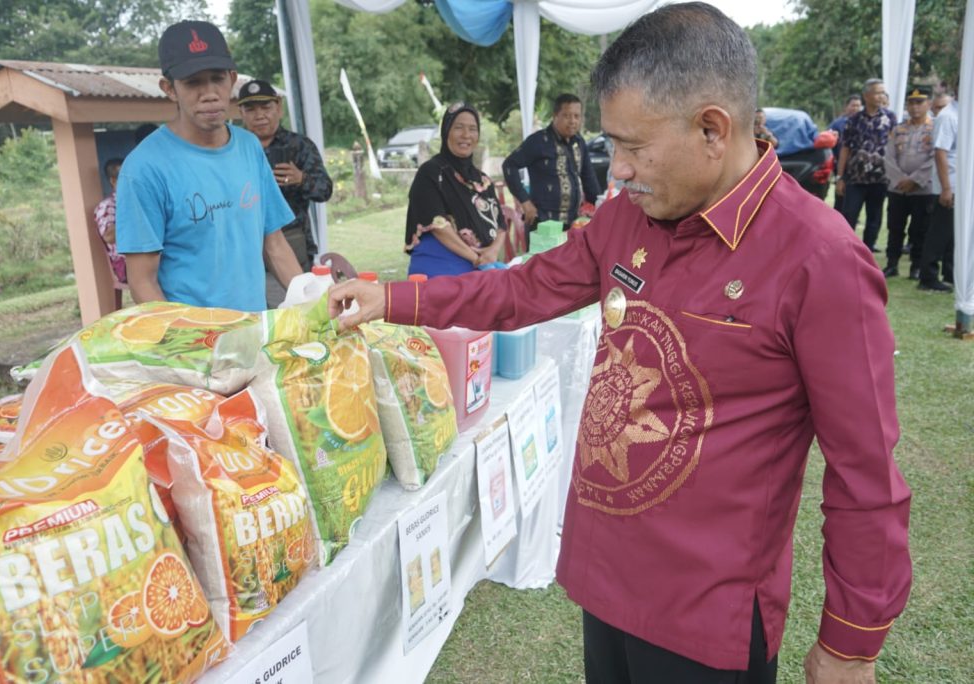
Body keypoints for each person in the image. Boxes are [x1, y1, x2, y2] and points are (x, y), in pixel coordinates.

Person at [329, 4, 911, 682]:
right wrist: (393, 299)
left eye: (633, 147)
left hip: (705, 617)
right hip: (606, 579)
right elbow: (522, 291)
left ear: (713, 129)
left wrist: (849, 644)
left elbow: (865, 473)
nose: (619, 171)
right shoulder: (628, 218)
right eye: (613, 147)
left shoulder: (820, 259)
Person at [116, 20, 301, 311]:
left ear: (232, 78)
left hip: (255, 331)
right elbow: (142, 282)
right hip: (195, 344)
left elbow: (274, 245)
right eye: (193, 82)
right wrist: (184, 343)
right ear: (170, 89)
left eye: (217, 78)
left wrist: (313, 301)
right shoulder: (144, 169)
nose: (210, 93)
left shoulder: (249, 147)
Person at [237, 78, 333, 306]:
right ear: (240, 112)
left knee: (296, 309)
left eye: (266, 107)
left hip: (291, 244)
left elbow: (325, 190)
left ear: (278, 107)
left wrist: (302, 179)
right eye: (250, 109)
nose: (259, 115)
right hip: (245, 247)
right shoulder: (233, 149)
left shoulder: (299, 146)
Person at [404, 102, 506, 278]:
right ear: (446, 131)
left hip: (481, 265)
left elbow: (501, 226)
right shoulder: (431, 173)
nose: (466, 135)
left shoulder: (482, 180)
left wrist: (492, 252)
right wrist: (476, 259)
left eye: (473, 129)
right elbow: (438, 225)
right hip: (440, 267)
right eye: (459, 127)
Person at [502, 93, 601, 230]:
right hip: (542, 224)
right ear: (555, 116)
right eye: (567, 116)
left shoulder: (579, 142)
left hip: (574, 224)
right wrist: (525, 201)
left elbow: (589, 178)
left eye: (576, 116)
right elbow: (509, 166)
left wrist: (600, 206)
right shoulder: (538, 141)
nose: (572, 121)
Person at [837, 78, 897, 251]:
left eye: (883, 93)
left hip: (880, 179)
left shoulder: (890, 118)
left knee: (874, 218)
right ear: (867, 95)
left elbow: (894, 146)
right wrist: (840, 177)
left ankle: (868, 249)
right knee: (849, 215)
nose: (881, 96)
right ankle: (845, 249)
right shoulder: (854, 120)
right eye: (877, 92)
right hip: (855, 178)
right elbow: (845, 149)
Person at [882, 86, 936, 279]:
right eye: (911, 103)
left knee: (920, 229)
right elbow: (888, 156)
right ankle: (892, 264)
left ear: (928, 104)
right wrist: (900, 180)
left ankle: (916, 266)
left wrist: (914, 180)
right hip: (898, 189)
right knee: (895, 227)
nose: (915, 107)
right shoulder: (898, 129)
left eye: (919, 102)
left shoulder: (935, 128)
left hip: (923, 189)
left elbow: (934, 158)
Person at [917, 90, 958, 292]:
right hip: (948, 185)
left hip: (960, 186)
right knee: (939, 233)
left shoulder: (963, 114)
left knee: (953, 235)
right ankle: (928, 276)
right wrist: (947, 188)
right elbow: (940, 152)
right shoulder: (948, 116)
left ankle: (950, 273)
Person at [94, 158, 127, 285]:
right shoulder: (108, 206)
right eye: (125, 177)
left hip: (147, 256)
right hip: (125, 264)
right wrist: (133, 215)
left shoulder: (138, 201)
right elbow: (109, 236)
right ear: (113, 181)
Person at [828, 94, 863, 214]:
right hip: (841, 166)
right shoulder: (837, 124)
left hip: (857, 169)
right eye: (853, 105)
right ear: (846, 107)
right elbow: (830, 144)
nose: (855, 108)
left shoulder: (863, 123)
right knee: (840, 197)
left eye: (858, 106)